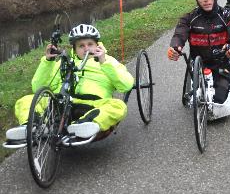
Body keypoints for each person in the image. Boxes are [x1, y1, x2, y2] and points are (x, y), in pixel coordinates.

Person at [4, 24, 133, 145]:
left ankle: (83, 125)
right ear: (75, 49)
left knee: (118, 105)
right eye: (81, 46)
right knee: (26, 100)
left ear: (97, 45)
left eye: (90, 44)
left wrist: (104, 62)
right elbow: (38, 87)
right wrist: (48, 62)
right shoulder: (64, 63)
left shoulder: (108, 61)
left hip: (92, 105)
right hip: (62, 104)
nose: (86, 48)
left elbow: (126, 85)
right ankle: (31, 126)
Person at [167, 0, 230, 105]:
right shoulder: (188, 18)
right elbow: (179, 34)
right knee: (199, 102)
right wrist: (175, 47)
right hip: (199, 65)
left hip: (222, 63)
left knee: (218, 100)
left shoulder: (227, 15)